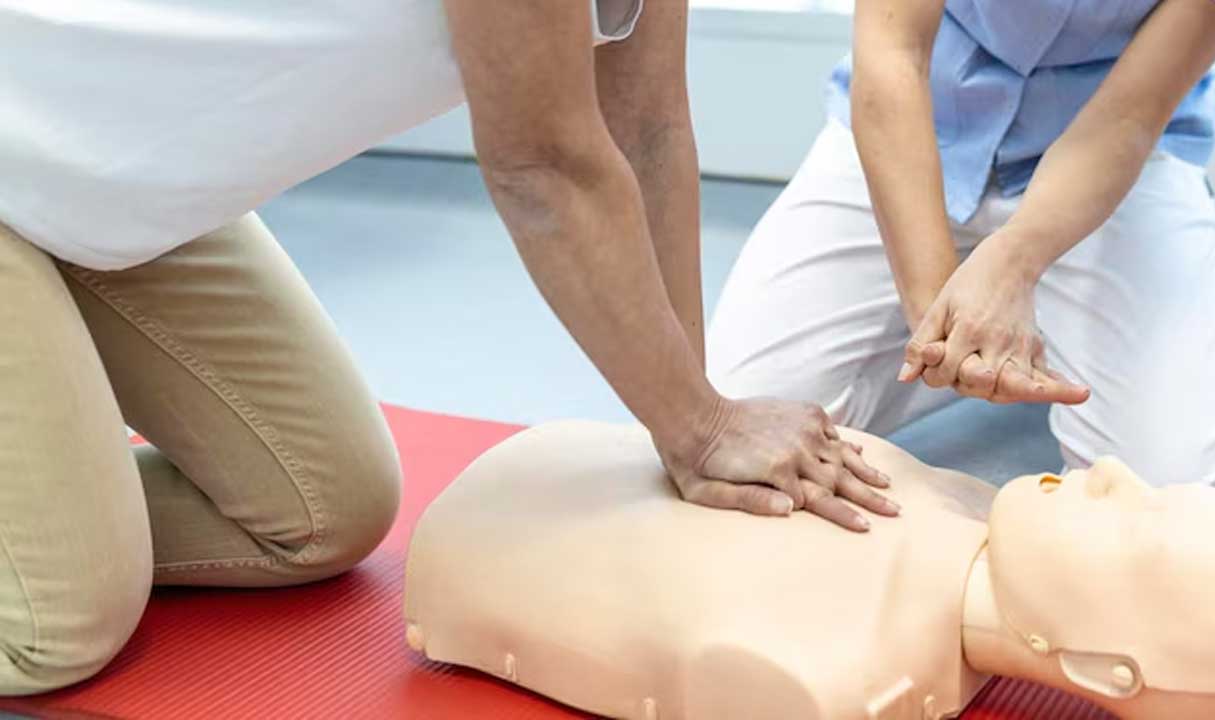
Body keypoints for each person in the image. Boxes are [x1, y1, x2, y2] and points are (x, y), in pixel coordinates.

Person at [0, 0, 885, 696]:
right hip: (25, 139)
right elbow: (541, 166)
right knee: (61, 624)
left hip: (100, 176)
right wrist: (701, 425)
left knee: (318, 511)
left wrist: (688, 425)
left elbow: (645, 129)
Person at [708, 0, 1215, 495]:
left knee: (1177, 496)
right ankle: (985, 351)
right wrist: (939, 317)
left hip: (1109, 161)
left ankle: (1022, 335)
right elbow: (893, 56)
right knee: (735, 429)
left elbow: (1128, 117)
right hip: (919, 121)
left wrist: (1014, 261)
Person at [404, 420, 1215, 719]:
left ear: (1103, 670)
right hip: (524, 491)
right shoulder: (962, 502)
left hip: (487, 532)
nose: (1112, 472)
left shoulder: (831, 673)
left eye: (1137, 527)